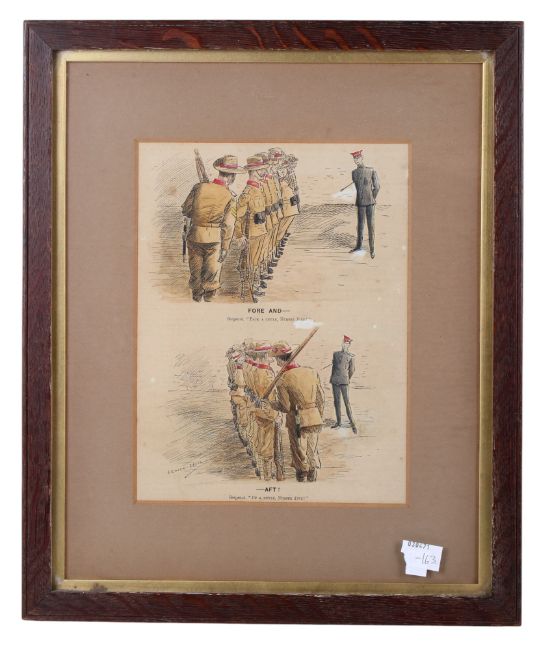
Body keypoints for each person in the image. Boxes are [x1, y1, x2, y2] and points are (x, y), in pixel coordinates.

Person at [181, 155, 245, 302]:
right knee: (211, 275)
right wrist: (225, 247)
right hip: (215, 239)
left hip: (194, 235)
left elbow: (186, 210)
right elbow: (228, 225)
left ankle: (196, 298)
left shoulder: (198, 187)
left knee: (195, 272)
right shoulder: (230, 197)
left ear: (219, 172)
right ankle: (209, 300)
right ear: (232, 177)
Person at [268, 341, 325, 482]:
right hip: (314, 417)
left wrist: (270, 404)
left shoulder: (283, 379)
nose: (275, 362)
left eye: (276, 359)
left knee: (299, 452)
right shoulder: (311, 372)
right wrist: (318, 414)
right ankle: (312, 474)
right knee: (312, 448)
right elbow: (321, 398)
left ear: (280, 360)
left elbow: (285, 407)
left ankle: (302, 476)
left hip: (297, 419)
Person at [235, 155, 269, 302]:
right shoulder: (247, 193)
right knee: (250, 264)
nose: (264, 171)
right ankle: (248, 292)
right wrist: (239, 235)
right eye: (261, 169)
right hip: (252, 234)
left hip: (261, 231)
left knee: (257, 262)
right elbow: (238, 217)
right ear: (254, 171)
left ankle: (254, 288)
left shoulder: (258, 189)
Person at [250, 342, 284, 481]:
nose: (272, 356)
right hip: (269, 413)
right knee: (269, 446)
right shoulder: (266, 374)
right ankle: (268, 476)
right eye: (270, 353)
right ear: (264, 356)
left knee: (263, 442)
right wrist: (276, 415)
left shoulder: (256, 371)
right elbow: (272, 397)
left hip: (260, 410)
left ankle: (266, 474)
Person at [349, 150, 380, 259]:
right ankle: (359, 247)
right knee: (360, 226)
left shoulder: (371, 170)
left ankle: (372, 250)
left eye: (358, 158)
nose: (356, 160)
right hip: (361, 203)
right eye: (354, 159)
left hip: (369, 204)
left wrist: (372, 198)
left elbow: (377, 187)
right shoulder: (354, 173)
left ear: (362, 158)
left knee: (370, 227)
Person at [329, 335, 358, 434]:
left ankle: (353, 423)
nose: (345, 345)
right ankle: (338, 422)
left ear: (349, 345)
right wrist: (334, 377)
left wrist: (347, 378)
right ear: (342, 344)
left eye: (347, 344)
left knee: (346, 402)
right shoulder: (335, 354)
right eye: (344, 343)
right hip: (335, 381)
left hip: (344, 381)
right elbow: (334, 367)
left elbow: (352, 370)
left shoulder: (351, 357)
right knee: (337, 402)